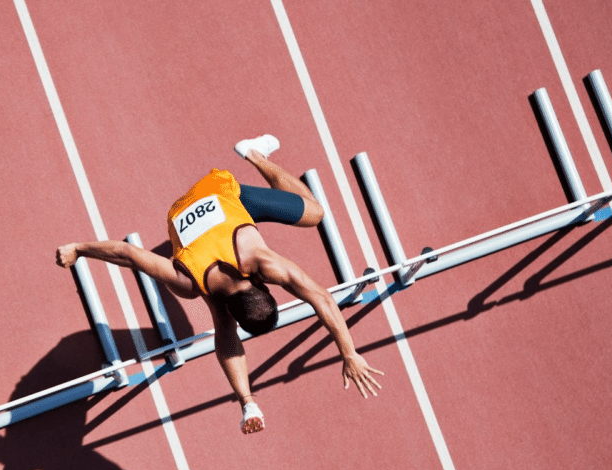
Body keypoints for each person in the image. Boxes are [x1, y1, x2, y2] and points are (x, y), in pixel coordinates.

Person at [56, 135, 382, 434]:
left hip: (215, 198)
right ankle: (255, 155)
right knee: (313, 214)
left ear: (263, 285)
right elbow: (127, 253)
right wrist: (78, 250)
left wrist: (351, 353)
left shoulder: (260, 264)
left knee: (314, 214)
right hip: (194, 204)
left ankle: (254, 155)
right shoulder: (193, 280)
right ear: (263, 281)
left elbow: (321, 297)